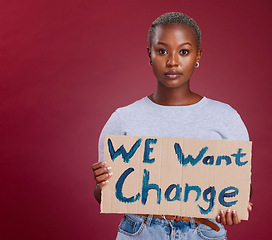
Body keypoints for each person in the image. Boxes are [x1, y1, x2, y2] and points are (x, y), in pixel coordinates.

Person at [92, 12, 253, 239]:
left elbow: (243, 186)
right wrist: (102, 185)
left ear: (198, 56)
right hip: (141, 231)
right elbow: (104, 195)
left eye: (184, 51)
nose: (173, 61)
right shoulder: (123, 119)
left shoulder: (226, 117)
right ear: (150, 55)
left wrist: (233, 205)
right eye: (162, 51)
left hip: (204, 231)